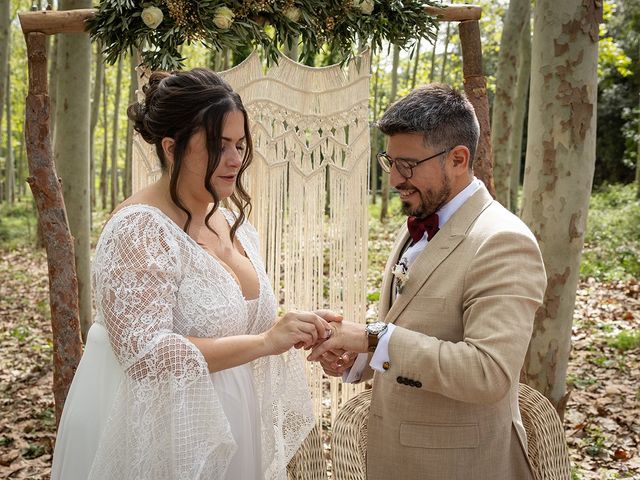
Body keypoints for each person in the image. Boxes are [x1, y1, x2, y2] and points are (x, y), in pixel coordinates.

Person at [51, 68, 338, 480]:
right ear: (173, 148)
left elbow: (239, 324)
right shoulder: (139, 229)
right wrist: (264, 341)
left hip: (235, 419)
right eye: (220, 147)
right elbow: (145, 353)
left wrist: (296, 330)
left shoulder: (232, 222)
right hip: (167, 432)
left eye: (240, 145)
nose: (236, 159)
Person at [309, 84, 547, 479]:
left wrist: (372, 337)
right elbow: (411, 321)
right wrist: (360, 356)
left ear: (458, 158)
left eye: (408, 165)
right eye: (391, 163)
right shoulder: (419, 223)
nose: (394, 180)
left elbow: (488, 373)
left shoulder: (504, 241)